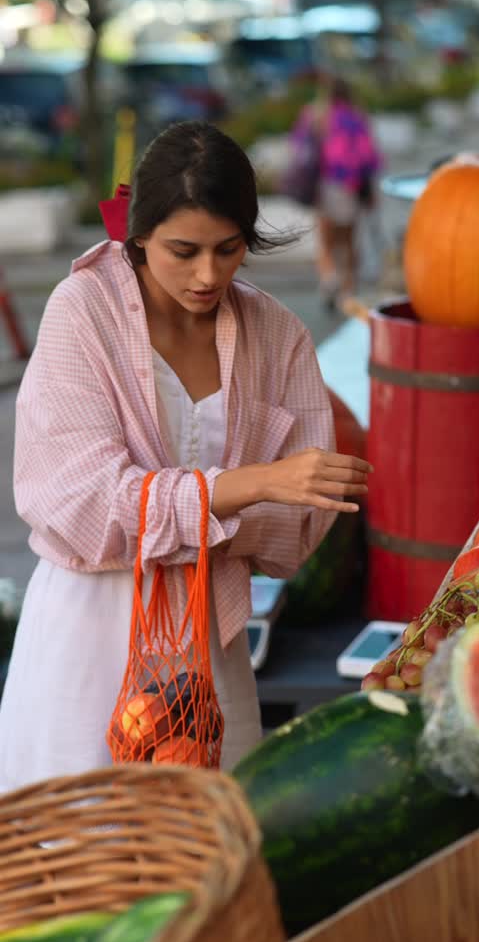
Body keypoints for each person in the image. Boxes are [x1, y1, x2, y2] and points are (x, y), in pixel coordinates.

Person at [0, 121, 371, 791]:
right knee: (83, 864)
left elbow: (288, 541)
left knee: (205, 860)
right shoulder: (81, 312)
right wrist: (251, 485)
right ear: (138, 234)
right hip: (88, 638)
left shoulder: (277, 335)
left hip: (207, 649)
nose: (208, 275)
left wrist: (262, 501)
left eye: (229, 250)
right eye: (183, 251)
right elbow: (82, 501)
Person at [290, 76, 382, 310]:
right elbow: (368, 155)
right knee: (349, 239)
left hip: (324, 185)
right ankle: (348, 290)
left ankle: (329, 277)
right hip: (350, 185)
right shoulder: (356, 117)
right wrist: (369, 189)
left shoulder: (313, 115)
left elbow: (298, 148)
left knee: (326, 239)